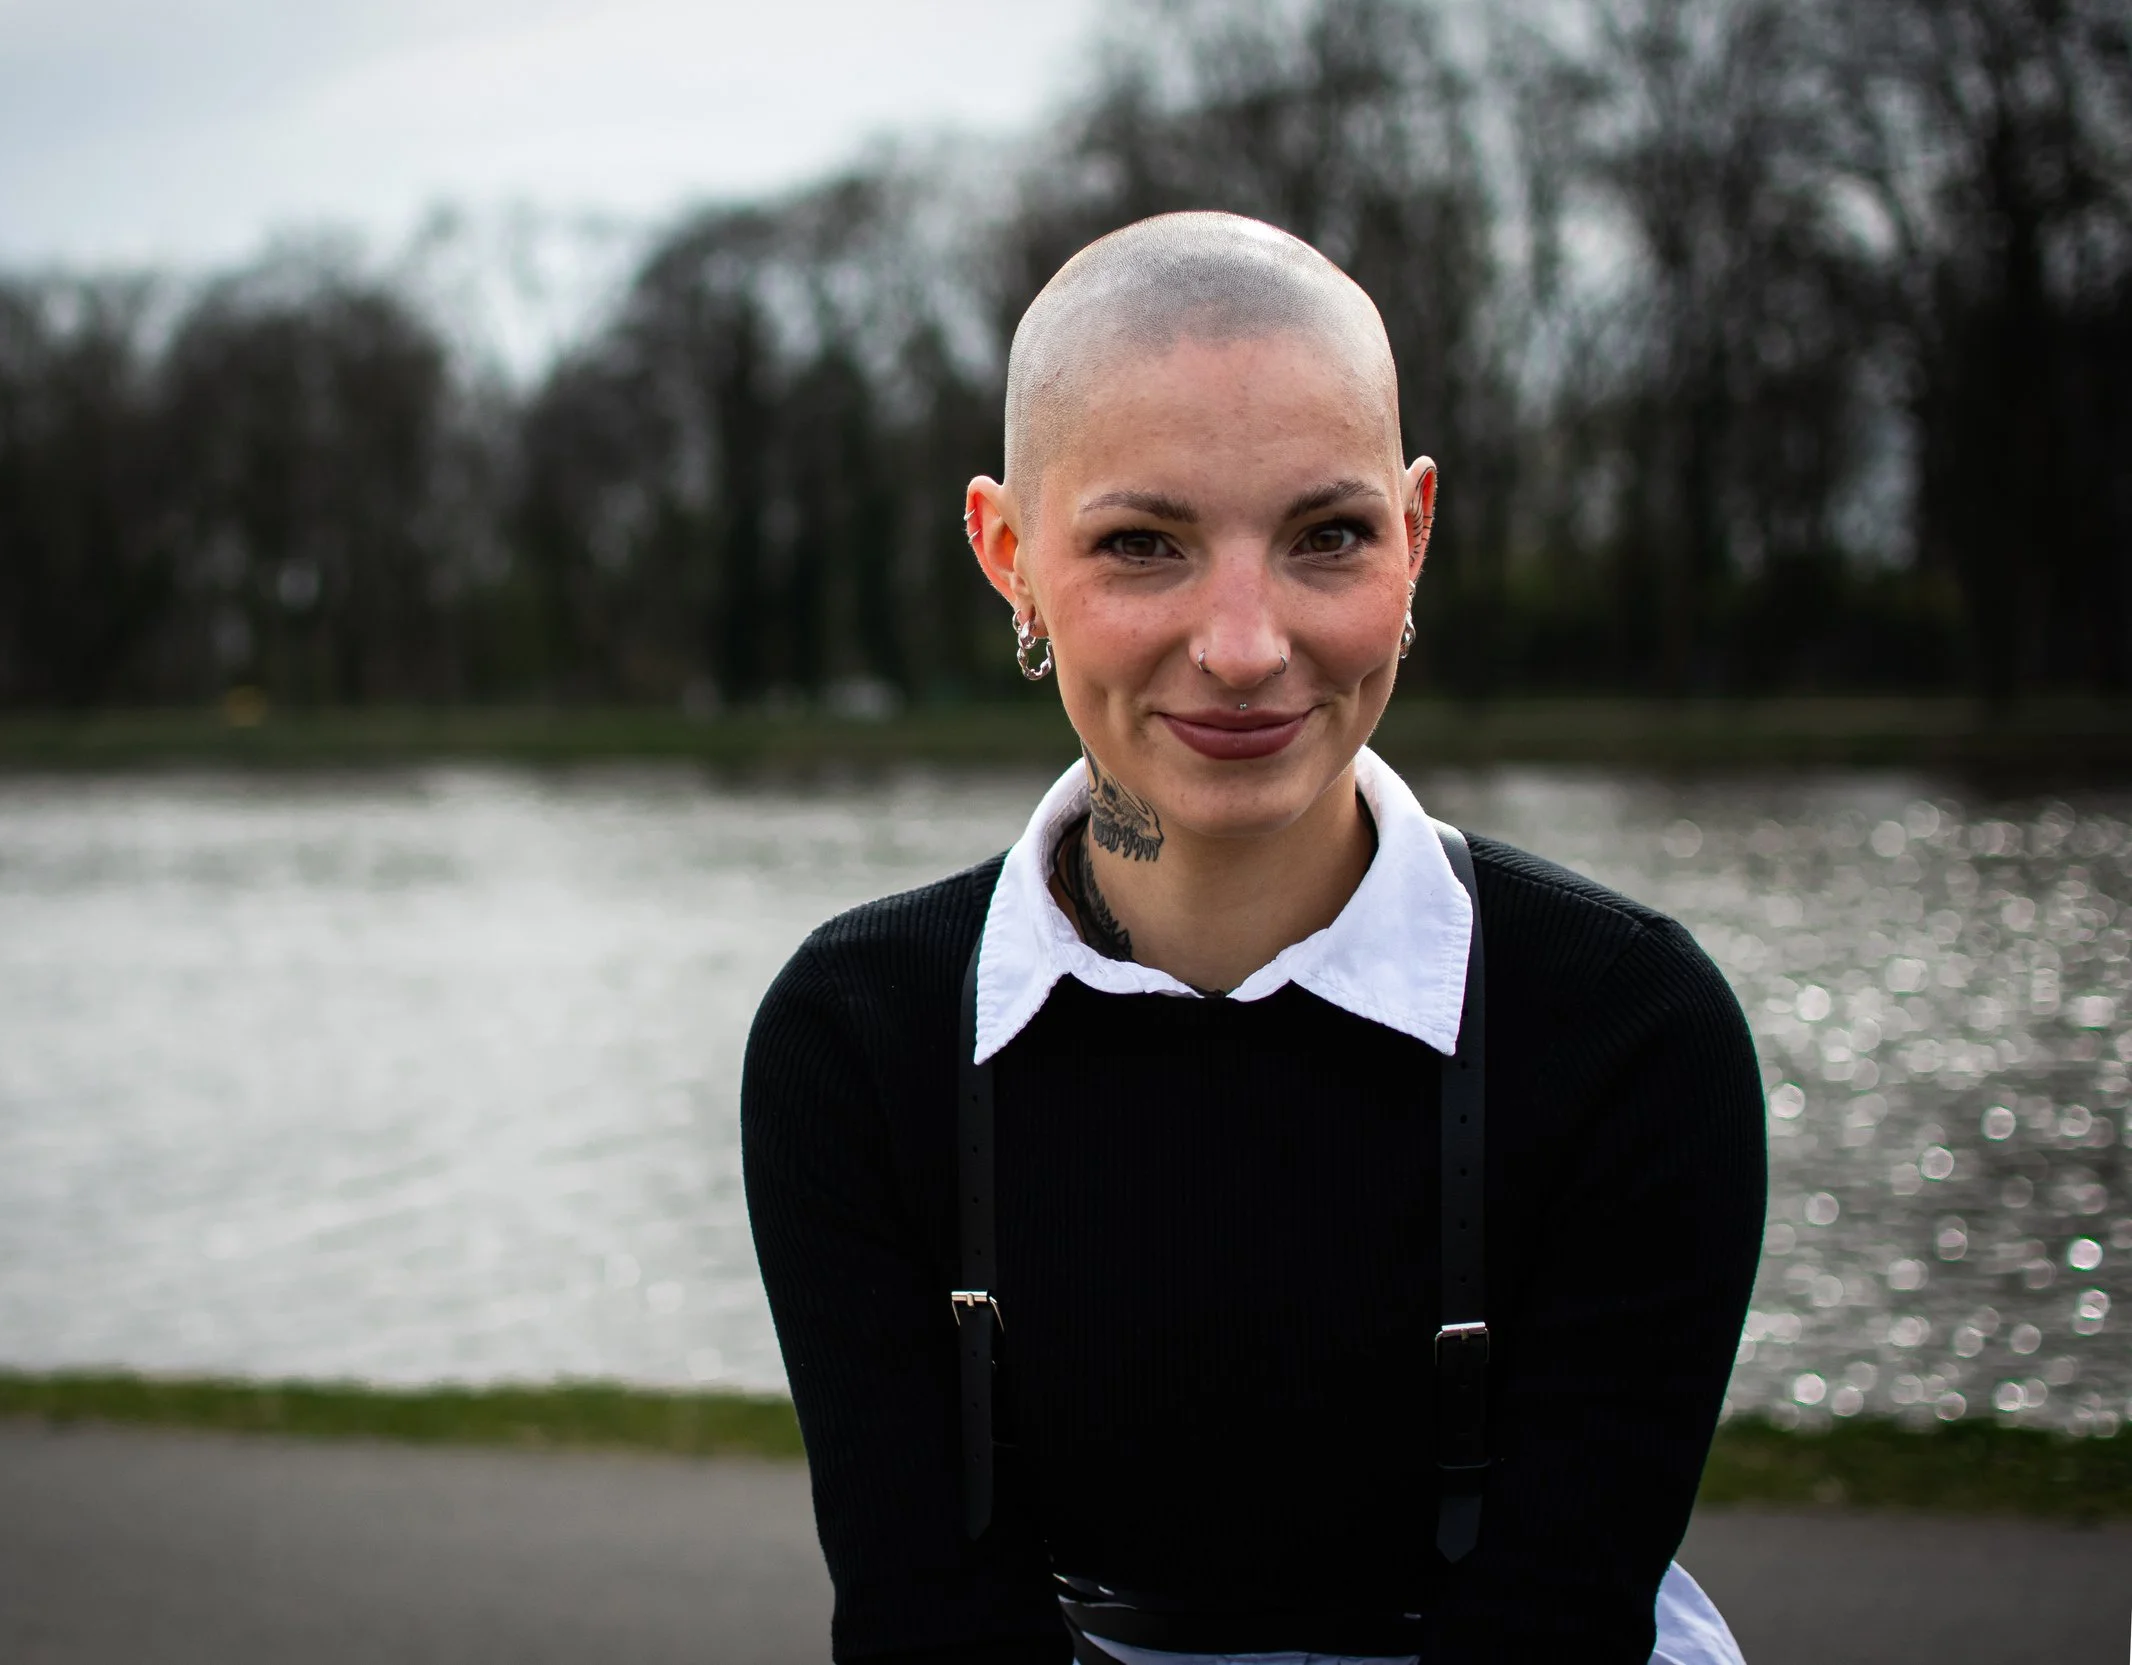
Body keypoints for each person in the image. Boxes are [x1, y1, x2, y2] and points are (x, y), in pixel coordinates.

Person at [742, 212, 1766, 1665]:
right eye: (1144, 544)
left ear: (1415, 537)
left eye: (1327, 536)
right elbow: (928, 1625)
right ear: (1009, 553)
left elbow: (1552, 1629)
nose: (1241, 643)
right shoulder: (862, 1038)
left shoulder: (1626, 1031)